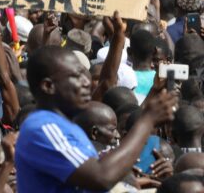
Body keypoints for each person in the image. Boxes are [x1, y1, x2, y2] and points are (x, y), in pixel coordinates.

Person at [16, 44, 177, 192]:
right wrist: (146, 121)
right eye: (76, 76)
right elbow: (101, 177)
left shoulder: (67, 126)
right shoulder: (43, 128)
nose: (86, 82)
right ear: (48, 86)